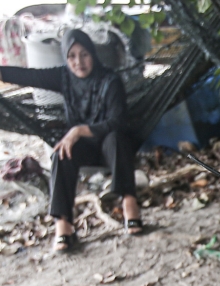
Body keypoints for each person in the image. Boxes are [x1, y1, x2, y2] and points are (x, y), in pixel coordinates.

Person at [0, 29, 141, 251]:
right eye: (72, 56)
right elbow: (28, 76)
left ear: (93, 54)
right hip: (84, 149)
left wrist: (78, 131)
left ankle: (129, 205)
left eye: (84, 54)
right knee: (61, 152)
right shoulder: (63, 76)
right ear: (66, 58)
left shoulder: (110, 80)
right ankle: (63, 224)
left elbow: (119, 122)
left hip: (112, 146)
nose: (79, 62)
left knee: (116, 138)